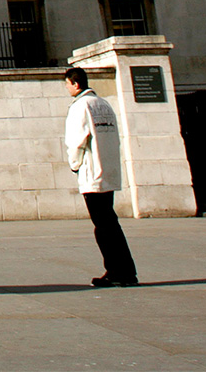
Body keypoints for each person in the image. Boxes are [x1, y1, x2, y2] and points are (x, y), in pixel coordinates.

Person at [64, 68, 137, 287]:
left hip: (91, 172)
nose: (67, 88)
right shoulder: (103, 104)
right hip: (108, 169)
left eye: (67, 84)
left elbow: (76, 142)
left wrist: (74, 165)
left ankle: (117, 271)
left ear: (75, 84)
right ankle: (125, 270)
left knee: (103, 226)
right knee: (110, 222)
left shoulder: (80, 107)